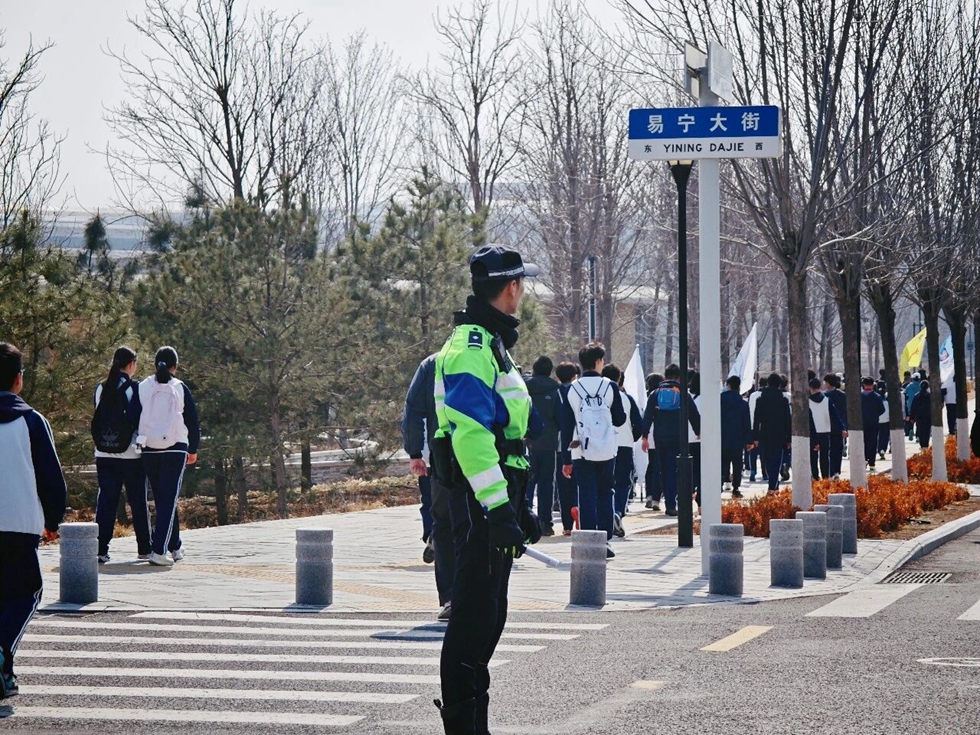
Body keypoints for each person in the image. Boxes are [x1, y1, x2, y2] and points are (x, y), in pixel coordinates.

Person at [430, 245, 541, 734]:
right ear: (512, 288)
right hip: (481, 497)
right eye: (523, 284)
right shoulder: (473, 347)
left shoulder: (490, 343)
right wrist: (498, 508)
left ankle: (476, 726)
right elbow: (473, 436)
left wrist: (519, 506)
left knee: (490, 614)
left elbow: (505, 434)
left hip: (496, 492)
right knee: (474, 617)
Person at [0, 342, 67, 699]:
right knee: (27, 593)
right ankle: (1, 656)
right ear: (18, 379)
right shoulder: (31, 421)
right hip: (19, 524)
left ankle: (4, 672)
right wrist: (53, 520)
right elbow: (51, 478)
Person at [402, 353, 455, 620]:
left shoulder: (432, 363)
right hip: (482, 457)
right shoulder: (488, 355)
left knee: (443, 523)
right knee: (474, 523)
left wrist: (415, 452)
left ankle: (451, 598)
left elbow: (413, 409)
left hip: (441, 456)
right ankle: (475, 593)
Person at [561, 343, 626, 556]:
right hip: (606, 448)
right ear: (598, 361)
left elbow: (566, 425)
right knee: (606, 491)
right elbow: (619, 419)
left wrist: (566, 459)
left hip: (580, 449)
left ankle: (589, 541)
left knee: (586, 492)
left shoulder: (572, 389)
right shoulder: (610, 386)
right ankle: (605, 540)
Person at [137, 346, 200, 567]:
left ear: (155, 364)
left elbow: (135, 416)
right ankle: (158, 550)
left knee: (163, 500)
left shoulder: (143, 387)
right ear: (176, 366)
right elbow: (192, 420)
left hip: (149, 448)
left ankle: (175, 546)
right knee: (168, 500)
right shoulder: (180, 387)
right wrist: (193, 449)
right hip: (175, 448)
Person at [92, 346, 151, 564]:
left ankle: (100, 549)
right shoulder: (135, 388)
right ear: (131, 364)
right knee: (138, 502)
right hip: (130, 454)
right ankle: (144, 548)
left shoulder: (101, 387)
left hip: (104, 452)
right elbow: (140, 419)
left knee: (106, 501)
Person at [641, 363, 701, 517]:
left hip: (660, 437)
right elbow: (694, 415)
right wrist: (698, 431)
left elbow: (647, 416)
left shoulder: (655, 393)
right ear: (679, 377)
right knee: (674, 470)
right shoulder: (683, 394)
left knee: (662, 468)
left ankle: (662, 499)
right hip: (678, 437)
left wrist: (645, 436)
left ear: (665, 376)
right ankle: (671, 504)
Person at [601, 363, 642, 535]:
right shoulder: (627, 398)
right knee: (623, 482)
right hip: (624, 444)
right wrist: (632, 437)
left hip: (603, 445)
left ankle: (607, 515)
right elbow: (639, 424)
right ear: (619, 379)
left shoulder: (598, 396)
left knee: (605, 483)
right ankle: (617, 511)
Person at [525, 356, 561, 537]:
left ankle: (525, 519)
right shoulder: (555, 390)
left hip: (527, 442)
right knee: (547, 484)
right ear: (549, 371)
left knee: (527, 482)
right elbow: (560, 417)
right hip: (549, 443)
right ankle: (545, 523)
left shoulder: (524, 387)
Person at [754, 372, 791, 494]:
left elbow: (757, 419)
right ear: (780, 384)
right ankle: (773, 486)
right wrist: (789, 439)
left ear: (768, 383)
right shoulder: (783, 400)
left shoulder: (760, 400)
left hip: (764, 434)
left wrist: (755, 437)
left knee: (767, 461)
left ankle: (773, 485)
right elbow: (787, 420)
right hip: (780, 435)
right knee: (776, 460)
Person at [554, 361, 580, 535]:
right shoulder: (578, 392)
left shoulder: (555, 392)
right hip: (578, 444)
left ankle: (567, 526)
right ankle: (579, 513)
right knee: (579, 483)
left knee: (564, 486)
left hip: (559, 444)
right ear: (574, 376)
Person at [721, 376, 752, 498]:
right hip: (738, 438)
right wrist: (749, 440)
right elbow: (746, 423)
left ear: (728, 385)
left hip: (722, 437)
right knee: (737, 464)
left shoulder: (719, 400)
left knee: (723, 462)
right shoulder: (743, 403)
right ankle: (736, 488)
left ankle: (720, 483)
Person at [808, 378, 844, 480]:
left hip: (812, 432)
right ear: (820, 387)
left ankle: (815, 476)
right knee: (824, 456)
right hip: (825, 431)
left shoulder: (807, 401)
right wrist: (842, 428)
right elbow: (835, 415)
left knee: (813, 456)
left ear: (810, 388)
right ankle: (825, 476)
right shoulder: (826, 400)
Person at [643, 372, 664, 508]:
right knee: (658, 467)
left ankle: (649, 495)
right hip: (658, 434)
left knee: (650, 466)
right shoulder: (659, 396)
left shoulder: (644, 395)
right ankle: (656, 496)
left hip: (647, 435)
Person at [823, 373, 848, 479]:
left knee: (827, 450)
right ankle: (836, 471)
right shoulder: (843, 395)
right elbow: (846, 412)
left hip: (826, 426)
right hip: (839, 426)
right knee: (837, 449)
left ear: (828, 383)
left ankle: (829, 471)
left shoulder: (824, 396)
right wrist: (845, 427)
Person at [860, 377, 886, 470]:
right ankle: (872, 462)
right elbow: (882, 410)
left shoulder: (860, 396)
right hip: (874, 422)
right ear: (873, 385)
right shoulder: (877, 396)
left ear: (863, 385)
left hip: (862, 422)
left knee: (863, 442)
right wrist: (875, 415)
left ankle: (864, 459)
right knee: (873, 442)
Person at [747, 376, 768, 482]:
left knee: (753, 451)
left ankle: (753, 471)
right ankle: (765, 472)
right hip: (764, 428)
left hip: (752, 427)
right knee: (763, 452)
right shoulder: (766, 396)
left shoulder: (752, 395)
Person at [909, 379, 932, 448]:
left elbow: (913, 407)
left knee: (920, 429)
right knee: (927, 430)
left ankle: (922, 444)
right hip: (928, 416)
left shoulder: (917, 396)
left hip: (919, 416)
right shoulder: (929, 396)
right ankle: (926, 444)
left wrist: (912, 417)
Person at [905, 373, 923, 440]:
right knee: (919, 422)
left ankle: (911, 432)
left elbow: (905, 394)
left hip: (910, 406)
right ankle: (918, 436)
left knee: (911, 421)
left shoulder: (909, 386)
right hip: (919, 407)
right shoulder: (921, 386)